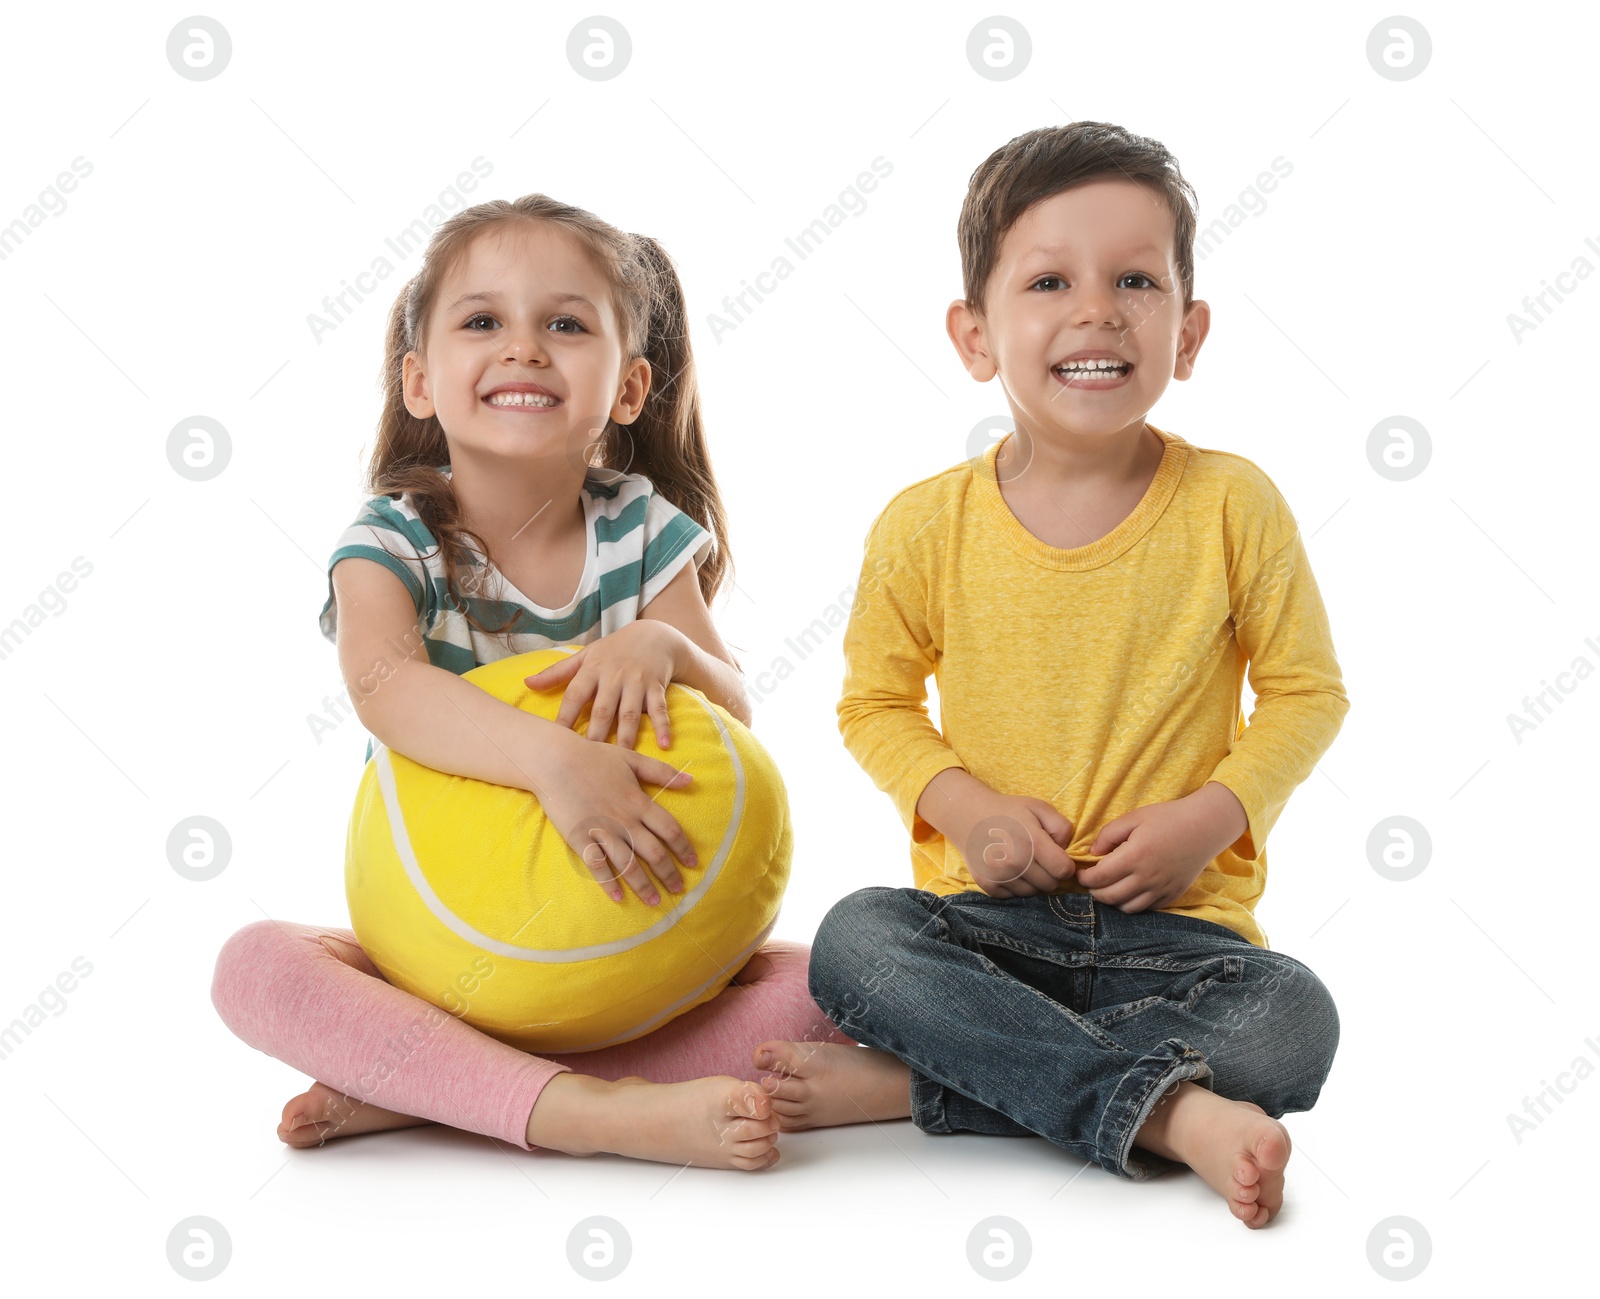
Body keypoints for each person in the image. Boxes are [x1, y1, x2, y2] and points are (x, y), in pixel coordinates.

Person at [752, 121, 1349, 1227]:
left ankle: (934, 1083)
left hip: (1181, 944)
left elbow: (1308, 694)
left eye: (1135, 279)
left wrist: (1206, 821)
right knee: (853, 945)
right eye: (1047, 281)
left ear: (1189, 329)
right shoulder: (924, 525)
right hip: (986, 929)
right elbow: (873, 704)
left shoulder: (1233, 505)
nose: (1095, 310)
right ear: (974, 335)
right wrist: (965, 811)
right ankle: (1170, 1113)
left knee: (1292, 1022)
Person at [210, 193, 853, 1170]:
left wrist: (666, 651)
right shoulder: (392, 541)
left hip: (623, 949)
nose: (523, 348)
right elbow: (386, 685)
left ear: (630, 387)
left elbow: (731, 708)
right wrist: (551, 760)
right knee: (255, 966)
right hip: (447, 948)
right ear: (420, 382)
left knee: (854, 974)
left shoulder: (640, 530)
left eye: (564, 323)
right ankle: (591, 1111)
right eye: (482, 322)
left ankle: (439, 1085)